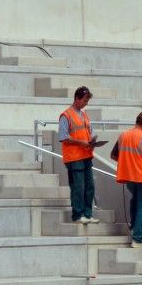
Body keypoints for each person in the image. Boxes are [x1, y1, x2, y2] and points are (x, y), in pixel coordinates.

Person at [111, 111, 142, 248]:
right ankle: (138, 239)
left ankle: (133, 229)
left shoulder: (123, 136)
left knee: (135, 202)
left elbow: (113, 155)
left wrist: (128, 162)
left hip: (129, 177)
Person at [59, 86, 99, 224]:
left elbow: (89, 132)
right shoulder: (66, 115)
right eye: (84, 100)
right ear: (77, 98)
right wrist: (81, 143)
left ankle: (87, 214)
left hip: (86, 155)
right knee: (78, 187)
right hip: (74, 157)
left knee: (90, 187)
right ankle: (78, 214)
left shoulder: (85, 115)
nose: (85, 103)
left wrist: (92, 141)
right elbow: (63, 137)